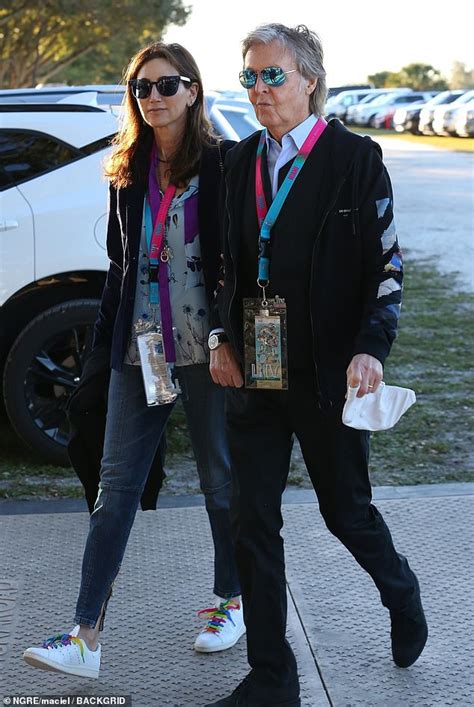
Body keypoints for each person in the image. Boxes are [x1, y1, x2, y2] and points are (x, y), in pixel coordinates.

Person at [207, 23, 428, 707]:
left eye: (273, 75)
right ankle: (272, 674)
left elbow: (386, 265)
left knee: (345, 512)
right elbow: (219, 264)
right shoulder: (235, 161)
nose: (259, 89)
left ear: (309, 79)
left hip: (330, 374)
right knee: (251, 518)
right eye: (249, 76)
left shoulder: (356, 160)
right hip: (258, 367)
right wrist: (219, 336)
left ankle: (401, 587)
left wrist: (372, 345)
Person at [23, 41, 244, 680]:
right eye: (142, 87)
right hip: (139, 347)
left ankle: (230, 601)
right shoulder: (127, 170)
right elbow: (121, 271)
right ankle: (86, 634)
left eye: (167, 85)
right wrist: (99, 357)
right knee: (113, 489)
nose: (153, 96)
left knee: (218, 476)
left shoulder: (225, 165)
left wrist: (236, 339)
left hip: (208, 349)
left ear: (193, 91)